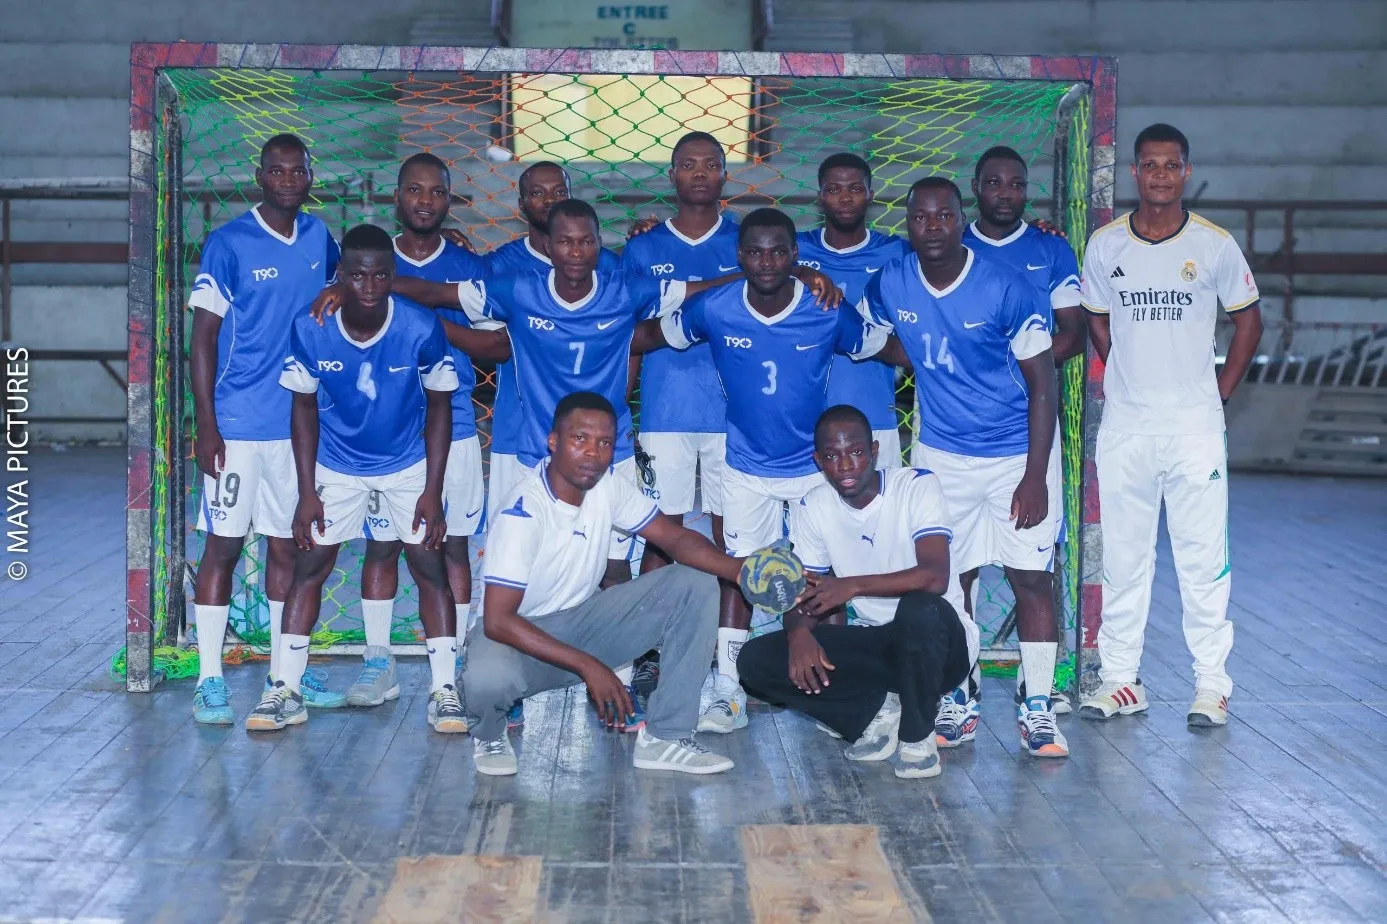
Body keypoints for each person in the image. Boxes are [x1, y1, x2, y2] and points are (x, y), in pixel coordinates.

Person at [636, 207, 886, 733]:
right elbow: (655, 335)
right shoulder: (715, 307)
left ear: (795, 255)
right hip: (747, 466)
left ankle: (836, 693)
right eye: (755, 252)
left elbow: (874, 343)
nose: (766, 261)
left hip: (815, 469)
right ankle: (729, 691)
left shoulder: (825, 307)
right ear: (740, 256)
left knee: (824, 577)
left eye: (778, 252)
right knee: (741, 572)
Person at [864, 178, 1070, 759]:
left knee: (1030, 576)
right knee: (952, 579)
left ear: (962, 220)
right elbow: (866, 335)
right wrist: (919, 355)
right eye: (920, 218)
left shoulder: (1007, 287)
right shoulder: (892, 280)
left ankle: (1036, 703)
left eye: (944, 216)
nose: (932, 227)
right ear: (907, 223)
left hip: (1016, 454)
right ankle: (961, 692)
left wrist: (1035, 475)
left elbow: (1044, 384)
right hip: (942, 456)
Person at [1078, 123, 1262, 728]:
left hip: (1193, 432)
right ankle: (1121, 680)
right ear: (1134, 172)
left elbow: (1250, 322)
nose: (1160, 175)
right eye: (1150, 165)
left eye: (1171, 165)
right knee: (1123, 560)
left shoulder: (1214, 245)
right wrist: (1127, 369)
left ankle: (1211, 685)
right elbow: (1097, 319)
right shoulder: (1106, 244)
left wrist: (1219, 392)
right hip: (1127, 430)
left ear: (1186, 171)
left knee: (1202, 561)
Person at [462, 392, 749, 777]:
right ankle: (489, 733)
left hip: (583, 624)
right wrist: (589, 666)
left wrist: (740, 571)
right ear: (553, 441)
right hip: (517, 638)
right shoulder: (523, 511)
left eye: (604, 443)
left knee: (694, 582)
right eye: (580, 438)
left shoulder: (607, 485)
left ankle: (666, 737)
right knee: (485, 677)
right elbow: (498, 621)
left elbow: (675, 538)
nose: (592, 453)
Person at [249, 224, 464, 733]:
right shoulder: (310, 328)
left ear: (393, 275)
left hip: (406, 464)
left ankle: (444, 691)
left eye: (380, 276)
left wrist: (432, 490)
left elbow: (440, 408)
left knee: (428, 566)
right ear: (340, 276)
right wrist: (306, 492)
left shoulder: (420, 326)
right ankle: (286, 689)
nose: (369, 286)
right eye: (358, 276)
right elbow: (302, 410)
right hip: (337, 464)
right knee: (310, 566)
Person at [187, 133, 344, 724]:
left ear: (310, 176)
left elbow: (358, 279)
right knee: (223, 546)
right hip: (236, 423)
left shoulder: (320, 237)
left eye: (297, 170)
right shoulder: (228, 243)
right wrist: (206, 423)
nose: (287, 179)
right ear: (259, 175)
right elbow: (203, 339)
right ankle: (209, 678)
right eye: (276, 170)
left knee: (288, 547)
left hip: (297, 425)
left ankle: (286, 674)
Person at [737, 406, 972, 778]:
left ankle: (917, 737)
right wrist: (798, 633)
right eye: (832, 456)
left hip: (941, 648)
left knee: (919, 607)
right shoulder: (814, 505)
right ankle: (875, 713)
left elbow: (934, 577)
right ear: (818, 461)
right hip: (877, 645)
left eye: (856, 452)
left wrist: (853, 585)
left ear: (874, 452)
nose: (845, 465)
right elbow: (804, 593)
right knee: (755, 661)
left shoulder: (916, 485)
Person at [348, 153, 494, 709]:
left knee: (452, 546)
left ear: (449, 199)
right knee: (382, 545)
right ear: (397, 197)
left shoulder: (469, 266)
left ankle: (451, 669)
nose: (425, 201)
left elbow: (497, 345)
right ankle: (377, 662)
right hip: (385, 433)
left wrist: (427, 327)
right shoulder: (368, 262)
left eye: (436, 191)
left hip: (453, 427)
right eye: (414, 189)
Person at [963, 145, 1086, 713]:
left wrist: (1013, 368)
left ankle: (1037, 686)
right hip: (956, 433)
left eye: (1016, 184)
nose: (1005, 193)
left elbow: (1073, 333)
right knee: (955, 567)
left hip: (1031, 430)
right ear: (976, 187)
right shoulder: (947, 244)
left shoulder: (1050, 248)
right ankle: (957, 677)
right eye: (994, 183)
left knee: (1033, 566)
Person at [622, 132, 739, 602]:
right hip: (664, 411)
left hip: (733, 412)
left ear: (725, 175)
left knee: (732, 535)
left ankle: (727, 637)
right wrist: (619, 404)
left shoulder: (747, 243)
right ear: (672, 175)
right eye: (688, 165)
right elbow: (629, 334)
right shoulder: (643, 248)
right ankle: (648, 634)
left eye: (710, 164)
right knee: (660, 534)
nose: (699, 173)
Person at [796, 153, 911, 467]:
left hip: (873, 416)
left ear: (871, 195)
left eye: (855, 189)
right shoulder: (793, 250)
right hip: (802, 421)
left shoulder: (898, 253)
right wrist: (800, 271)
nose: (845, 197)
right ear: (820, 197)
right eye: (834, 189)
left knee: (879, 500)